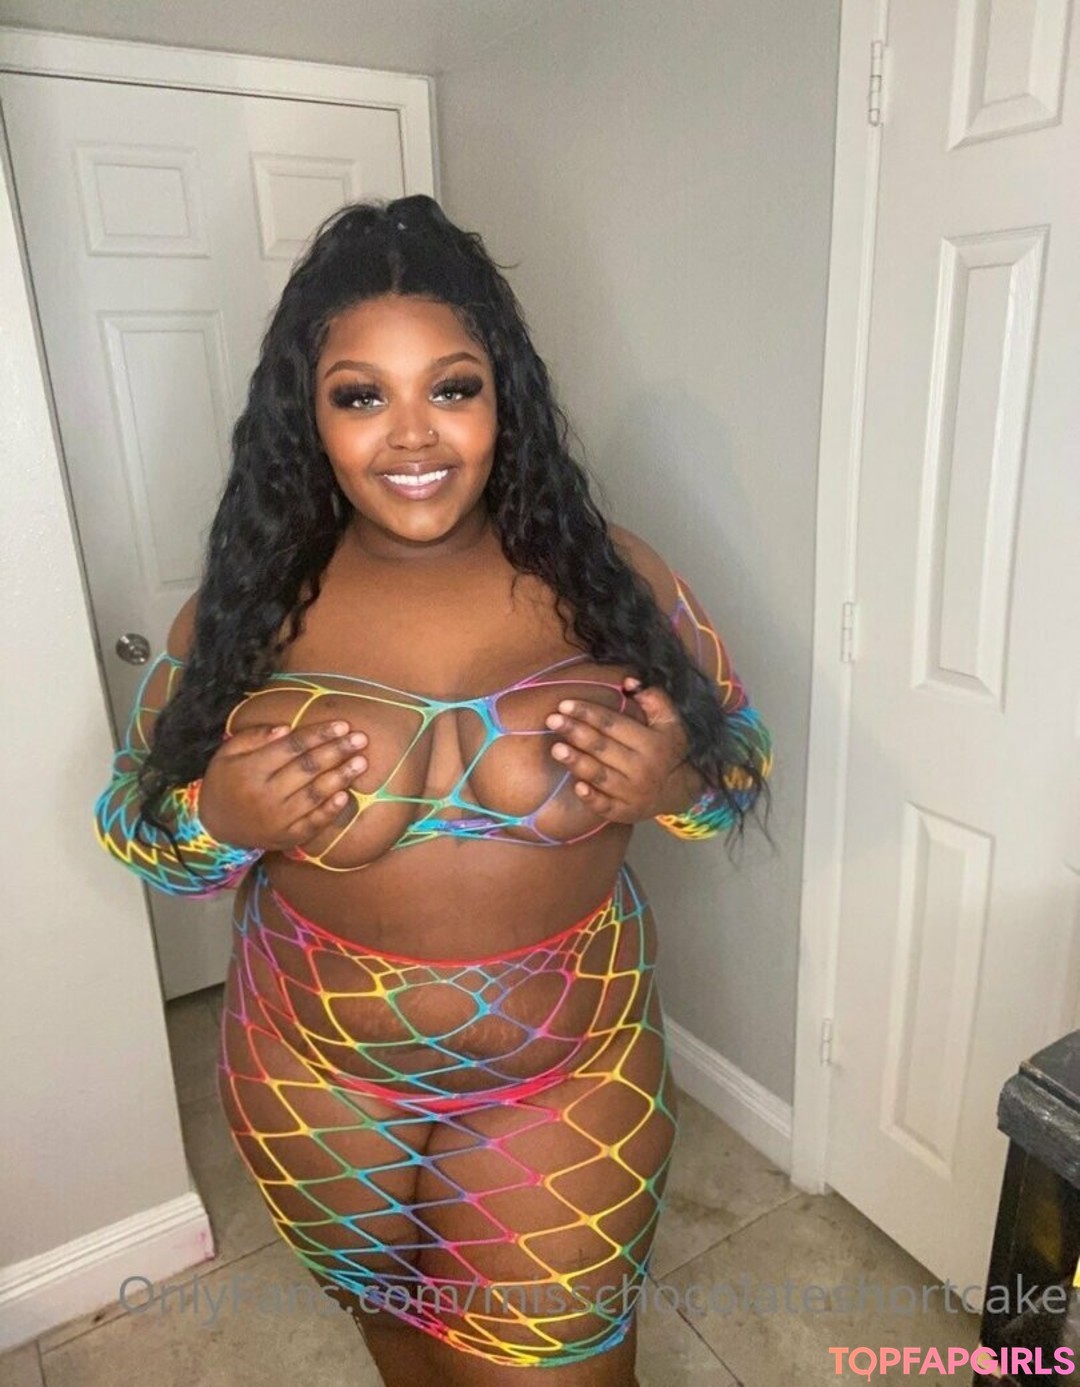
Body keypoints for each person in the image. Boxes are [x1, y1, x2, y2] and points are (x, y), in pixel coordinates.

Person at [92, 194, 774, 1386]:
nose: (413, 436)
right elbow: (131, 823)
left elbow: (741, 759)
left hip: (565, 1075)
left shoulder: (614, 576)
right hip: (310, 1081)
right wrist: (222, 819)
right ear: (308, 416)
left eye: (452, 387)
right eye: (362, 396)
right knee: (401, 1345)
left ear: (504, 394)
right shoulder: (249, 608)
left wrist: (673, 778)